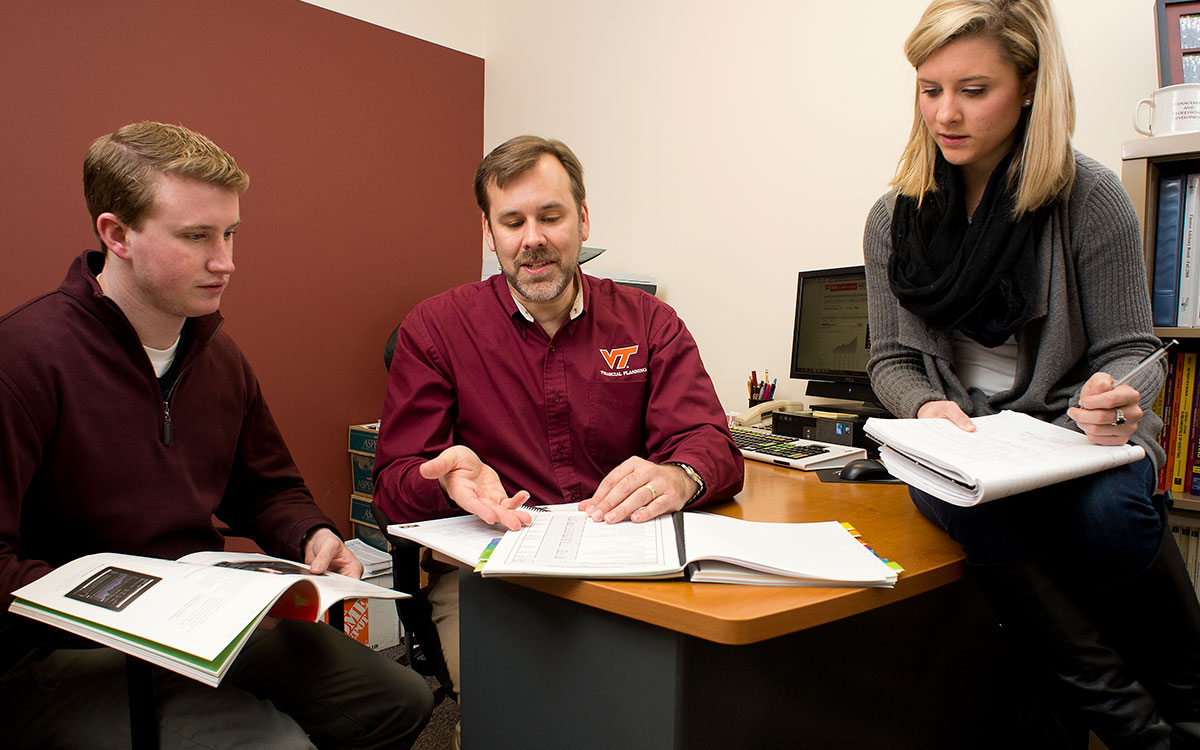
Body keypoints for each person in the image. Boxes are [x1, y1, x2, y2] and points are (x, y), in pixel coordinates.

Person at [0, 122, 433, 749]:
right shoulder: (24, 359)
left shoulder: (216, 355)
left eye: (230, 234)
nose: (225, 261)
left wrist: (310, 533)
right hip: (52, 649)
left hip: (198, 622)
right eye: (197, 236)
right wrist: (130, 609)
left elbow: (266, 487)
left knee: (396, 701)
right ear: (116, 235)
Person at [863, 1, 1200, 747]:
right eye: (929, 89)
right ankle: (1151, 735)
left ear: (1029, 86)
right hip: (963, 440)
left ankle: (1186, 704)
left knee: (1109, 514)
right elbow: (889, 358)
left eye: (973, 90)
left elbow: (1131, 348)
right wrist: (924, 411)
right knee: (980, 505)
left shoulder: (1089, 196)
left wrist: (1115, 399)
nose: (945, 114)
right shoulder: (896, 218)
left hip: (1065, 438)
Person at [373, 135, 744, 739]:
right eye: (512, 221)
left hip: (626, 565)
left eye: (550, 216)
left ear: (583, 219)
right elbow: (392, 486)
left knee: (674, 709)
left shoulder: (649, 323)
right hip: (491, 576)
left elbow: (711, 442)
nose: (533, 239)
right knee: (524, 721)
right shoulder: (435, 330)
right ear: (489, 233)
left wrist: (678, 476)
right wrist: (445, 485)